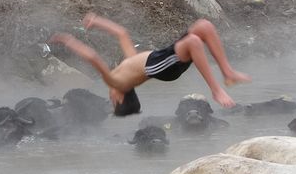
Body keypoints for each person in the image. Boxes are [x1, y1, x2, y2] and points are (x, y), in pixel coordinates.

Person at [50, 12, 251, 115]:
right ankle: (216, 90)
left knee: (203, 26)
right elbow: (93, 57)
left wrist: (97, 21)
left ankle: (228, 72)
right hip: (161, 67)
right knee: (194, 41)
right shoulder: (118, 83)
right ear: (119, 99)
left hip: (160, 56)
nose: (109, 96)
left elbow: (122, 33)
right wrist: (69, 41)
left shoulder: (124, 68)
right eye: (112, 100)